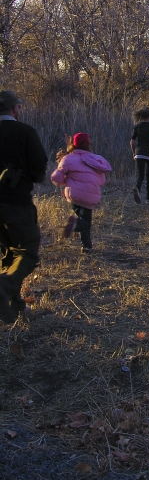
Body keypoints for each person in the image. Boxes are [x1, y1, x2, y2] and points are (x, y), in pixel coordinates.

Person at [0, 90, 48, 323]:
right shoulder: (25, 132)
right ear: (14, 109)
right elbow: (39, 166)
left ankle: (15, 305)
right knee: (27, 252)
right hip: (16, 202)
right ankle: (4, 287)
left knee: (8, 255)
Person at [51, 133, 112, 253]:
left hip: (74, 194)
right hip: (90, 195)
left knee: (83, 220)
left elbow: (56, 177)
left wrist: (63, 182)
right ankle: (86, 245)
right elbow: (102, 180)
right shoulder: (95, 159)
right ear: (88, 144)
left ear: (73, 144)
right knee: (86, 222)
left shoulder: (68, 158)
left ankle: (81, 236)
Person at [130, 107, 149, 204]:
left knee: (140, 174)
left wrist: (134, 152)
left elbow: (132, 141)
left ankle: (137, 188)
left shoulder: (137, 126)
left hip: (139, 153)